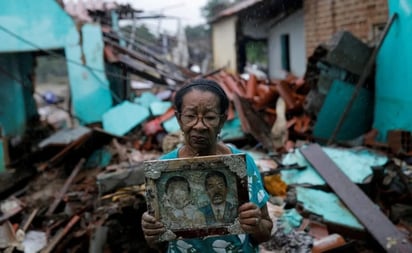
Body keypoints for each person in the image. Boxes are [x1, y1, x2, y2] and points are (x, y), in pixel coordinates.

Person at [141, 78, 273, 252]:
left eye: (210, 117)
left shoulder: (242, 164)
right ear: (179, 119)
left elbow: (265, 232)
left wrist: (255, 223)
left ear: (222, 121)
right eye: (190, 116)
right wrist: (151, 232)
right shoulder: (163, 170)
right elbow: (158, 245)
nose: (200, 126)